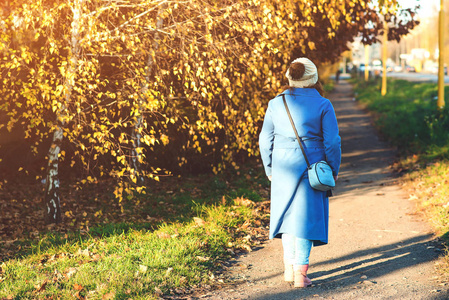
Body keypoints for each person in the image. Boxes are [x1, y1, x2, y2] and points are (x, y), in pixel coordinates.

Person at [258, 57, 341, 288]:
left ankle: (288, 268)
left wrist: (269, 167)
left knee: (286, 217)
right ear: (313, 78)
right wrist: (333, 168)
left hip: (282, 165)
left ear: (290, 77)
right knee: (306, 219)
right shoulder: (324, 104)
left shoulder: (275, 103)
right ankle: (300, 274)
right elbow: (332, 142)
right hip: (312, 165)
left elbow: (265, 140)